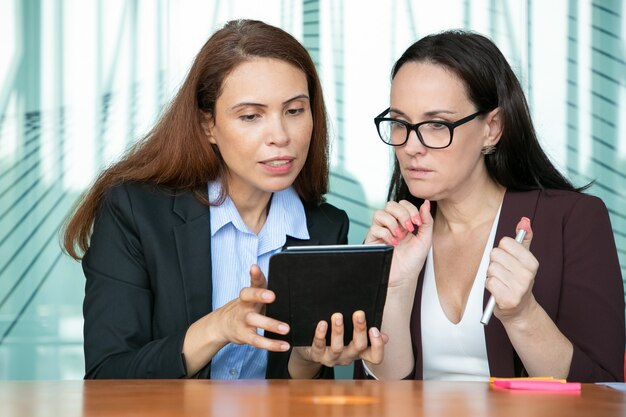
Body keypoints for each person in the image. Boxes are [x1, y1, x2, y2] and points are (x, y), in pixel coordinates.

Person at [62, 19, 385, 380]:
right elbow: (107, 377)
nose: (280, 136)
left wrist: (308, 359)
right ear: (208, 126)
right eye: (250, 116)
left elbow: (293, 390)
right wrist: (218, 328)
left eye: (294, 111)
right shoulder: (135, 212)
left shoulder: (325, 227)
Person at [358, 29, 625, 382]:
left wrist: (523, 315)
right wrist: (393, 289)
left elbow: (604, 388)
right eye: (400, 123)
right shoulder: (398, 234)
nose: (411, 147)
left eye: (437, 124)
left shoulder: (573, 220)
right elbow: (384, 390)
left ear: (492, 128)